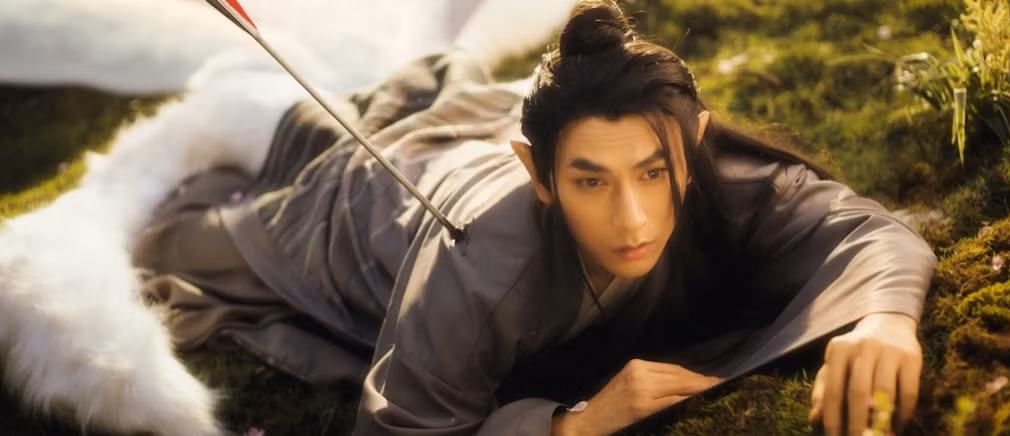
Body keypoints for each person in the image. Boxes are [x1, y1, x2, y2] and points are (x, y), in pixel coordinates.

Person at [127, 1, 937, 435]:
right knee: (191, 234)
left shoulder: (712, 172)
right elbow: (403, 429)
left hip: (477, 134)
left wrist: (885, 319)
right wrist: (570, 428)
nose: (633, 219)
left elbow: (866, 233)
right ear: (539, 175)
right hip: (367, 209)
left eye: (653, 173)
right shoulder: (478, 269)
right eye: (590, 181)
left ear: (689, 146)